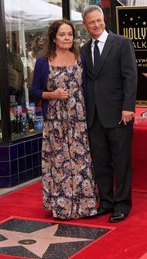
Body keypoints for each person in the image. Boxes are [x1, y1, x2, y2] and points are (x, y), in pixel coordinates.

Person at [31, 19, 97, 219]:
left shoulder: (79, 57)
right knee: (59, 163)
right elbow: (34, 91)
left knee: (81, 162)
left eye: (70, 34)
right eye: (62, 34)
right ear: (53, 37)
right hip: (55, 122)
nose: (67, 38)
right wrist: (52, 95)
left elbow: (85, 88)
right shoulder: (44, 61)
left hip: (78, 119)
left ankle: (85, 206)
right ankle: (62, 207)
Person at [81, 5, 137, 222]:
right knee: (101, 161)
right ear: (85, 26)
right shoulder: (85, 50)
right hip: (93, 116)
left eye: (98, 20)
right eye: (91, 22)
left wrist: (128, 107)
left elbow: (130, 77)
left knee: (121, 161)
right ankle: (105, 202)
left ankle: (122, 205)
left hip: (118, 114)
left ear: (103, 19)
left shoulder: (122, 43)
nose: (96, 25)